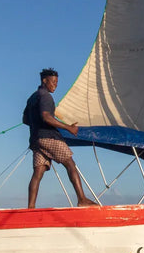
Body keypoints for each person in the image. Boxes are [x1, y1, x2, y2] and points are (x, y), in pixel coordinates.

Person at [23, 68, 98, 209]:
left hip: (36, 140)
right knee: (70, 164)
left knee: (38, 172)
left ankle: (31, 207)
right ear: (44, 80)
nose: (55, 85)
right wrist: (69, 128)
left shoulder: (32, 97)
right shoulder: (45, 96)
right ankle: (82, 199)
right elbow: (46, 116)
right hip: (49, 137)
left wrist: (37, 124)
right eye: (53, 82)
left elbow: (25, 119)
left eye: (57, 83)